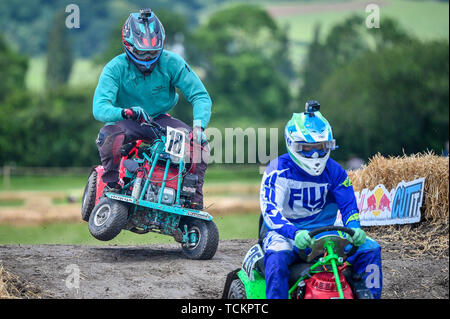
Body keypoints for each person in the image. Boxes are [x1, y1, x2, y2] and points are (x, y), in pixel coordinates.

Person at [259, 100, 382, 299]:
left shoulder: (336, 172)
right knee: (276, 257)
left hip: (326, 233)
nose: (315, 154)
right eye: (307, 148)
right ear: (293, 144)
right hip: (287, 233)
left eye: (321, 147)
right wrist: (293, 232)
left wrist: (355, 226)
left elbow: (349, 206)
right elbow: (270, 212)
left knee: (370, 248)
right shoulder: (277, 171)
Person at [92, 9, 211, 209]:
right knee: (108, 135)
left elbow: (200, 96)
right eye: (141, 52)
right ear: (128, 46)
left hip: (160, 120)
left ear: (161, 45)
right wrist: (125, 112)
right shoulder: (115, 68)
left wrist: (199, 127)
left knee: (198, 146)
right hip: (129, 120)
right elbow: (99, 108)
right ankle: (112, 185)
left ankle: (193, 197)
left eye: (153, 52)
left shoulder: (172, 62)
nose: (147, 58)